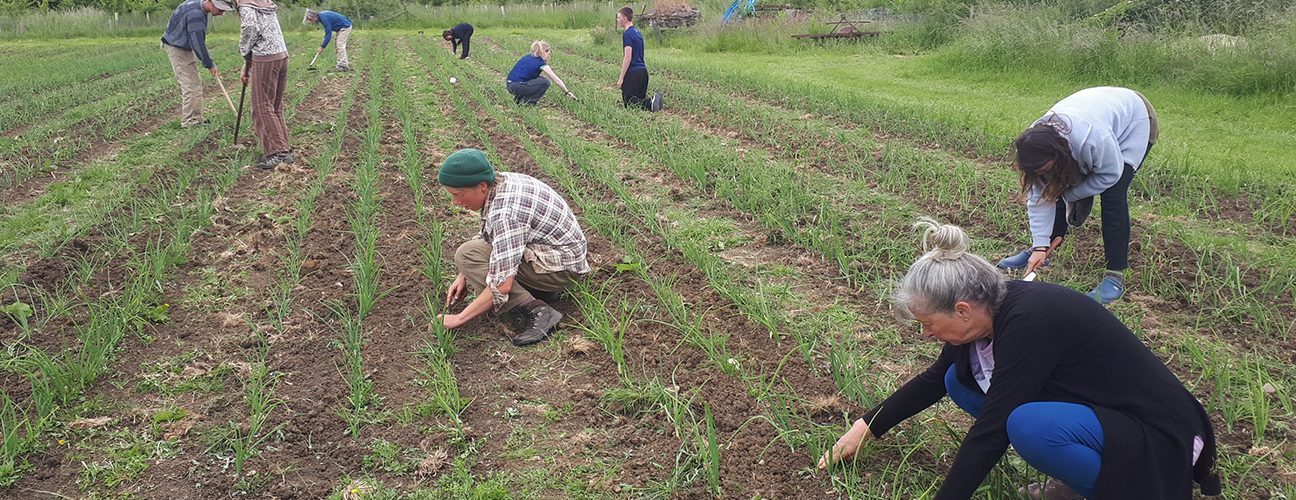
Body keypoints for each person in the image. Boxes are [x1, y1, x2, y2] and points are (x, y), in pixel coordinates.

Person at [819, 218, 1220, 499]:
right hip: (1103, 414)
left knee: (1026, 425)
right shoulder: (987, 313)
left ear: (962, 310)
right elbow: (931, 381)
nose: (925, 333)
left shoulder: (1030, 322)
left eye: (928, 322)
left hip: (1160, 436)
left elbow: (992, 430)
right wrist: (864, 427)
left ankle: (1121, 489)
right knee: (957, 381)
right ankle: (1081, 477)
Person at [997, 86, 1159, 305]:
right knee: (1054, 185)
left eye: (1043, 169)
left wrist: (1073, 193)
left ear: (1057, 154)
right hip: (1097, 110)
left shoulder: (1094, 139)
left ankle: (1115, 276)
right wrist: (1039, 245)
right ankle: (1045, 252)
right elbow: (1039, 198)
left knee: (1113, 195)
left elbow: (1111, 175)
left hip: (1134, 120)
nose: (1039, 174)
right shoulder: (1032, 143)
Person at [437, 148, 590, 346]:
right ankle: (541, 291)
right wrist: (464, 275)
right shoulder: (502, 182)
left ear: (482, 186)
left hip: (561, 269)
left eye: (459, 194)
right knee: (470, 257)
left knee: (467, 255)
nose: (456, 202)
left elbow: (502, 285)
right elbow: (493, 237)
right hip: (557, 256)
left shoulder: (506, 212)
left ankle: (539, 311)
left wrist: (459, 318)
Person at [237, 0, 292, 170]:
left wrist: (244, 51)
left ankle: (277, 153)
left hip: (266, 57)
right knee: (274, 107)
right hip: (281, 55)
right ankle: (284, 149)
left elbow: (250, 28)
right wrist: (247, 64)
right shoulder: (265, 3)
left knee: (261, 107)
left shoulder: (246, 4)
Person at [161, 0, 233, 128]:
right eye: (221, 10)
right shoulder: (196, 15)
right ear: (211, 3)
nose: (222, 13)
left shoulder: (195, 4)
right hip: (177, 48)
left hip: (180, 44)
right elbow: (197, 43)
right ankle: (189, 122)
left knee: (194, 83)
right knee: (190, 85)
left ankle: (196, 118)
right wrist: (209, 63)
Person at [615, 7, 662, 111]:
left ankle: (650, 103)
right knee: (638, 105)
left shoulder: (627, 34)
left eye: (618, 18)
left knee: (629, 102)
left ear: (625, 18)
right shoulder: (637, 33)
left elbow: (628, 57)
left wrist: (621, 78)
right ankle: (652, 103)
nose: (617, 20)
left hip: (633, 73)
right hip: (643, 73)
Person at [505, 41, 577, 105]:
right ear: (544, 52)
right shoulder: (541, 63)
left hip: (510, 85)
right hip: (517, 87)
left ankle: (518, 100)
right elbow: (556, 80)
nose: (549, 56)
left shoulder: (527, 57)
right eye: (548, 53)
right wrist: (567, 92)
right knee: (545, 83)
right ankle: (528, 102)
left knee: (539, 79)